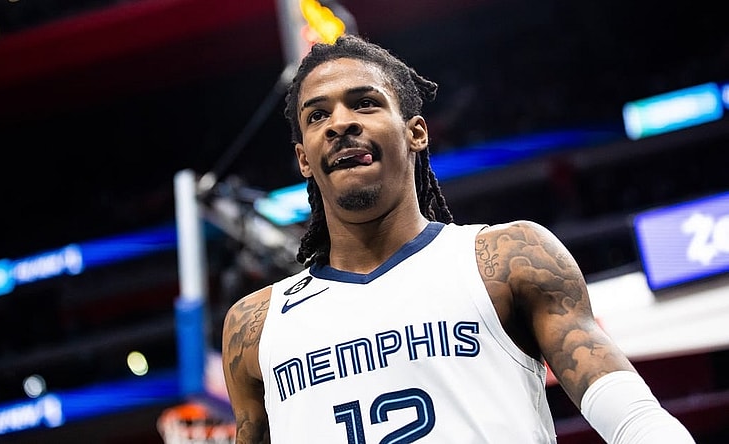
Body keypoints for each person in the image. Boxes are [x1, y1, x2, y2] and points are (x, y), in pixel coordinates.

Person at [220, 34, 695, 443]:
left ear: (417, 133)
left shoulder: (508, 258)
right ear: (304, 159)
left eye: (365, 102)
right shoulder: (254, 326)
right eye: (318, 115)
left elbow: (633, 419)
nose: (340, 123)